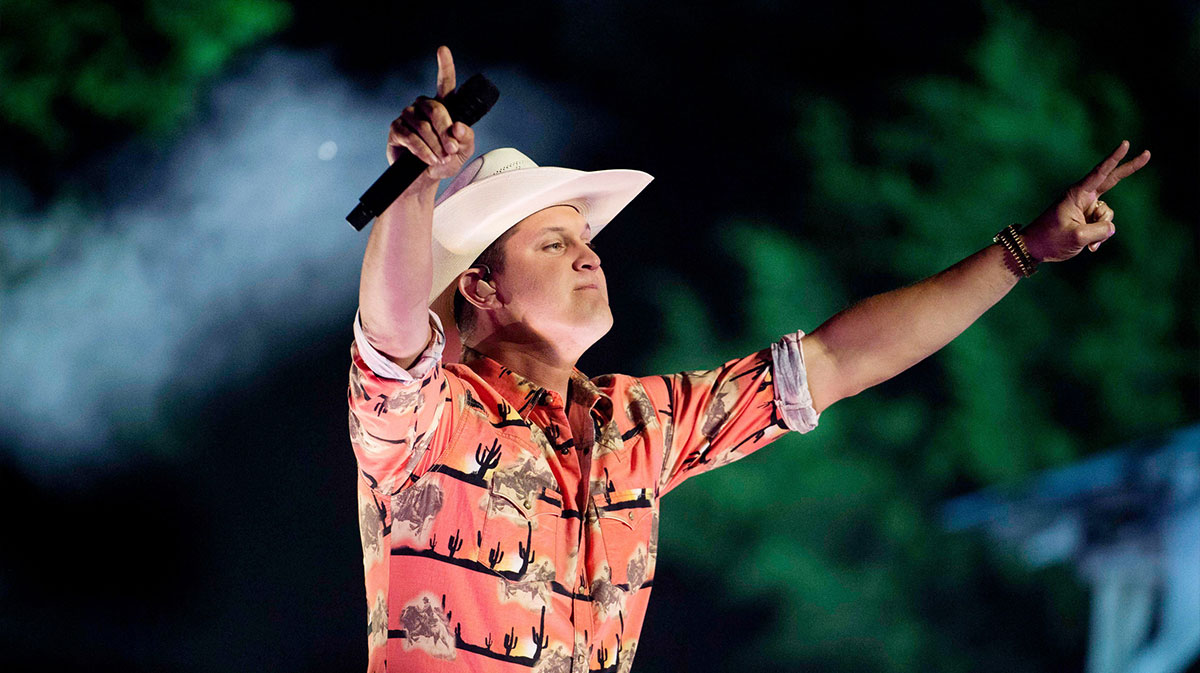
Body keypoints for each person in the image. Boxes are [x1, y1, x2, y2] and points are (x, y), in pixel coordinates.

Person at [348, 46, 1150, 672]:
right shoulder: (432, 420)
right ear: (482, 284)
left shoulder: (639, 424)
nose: (590, 257)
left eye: (587, 240)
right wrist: (414, 187)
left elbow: (836, 360)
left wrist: (1026, 250)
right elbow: (390, 334)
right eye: (556, 243)